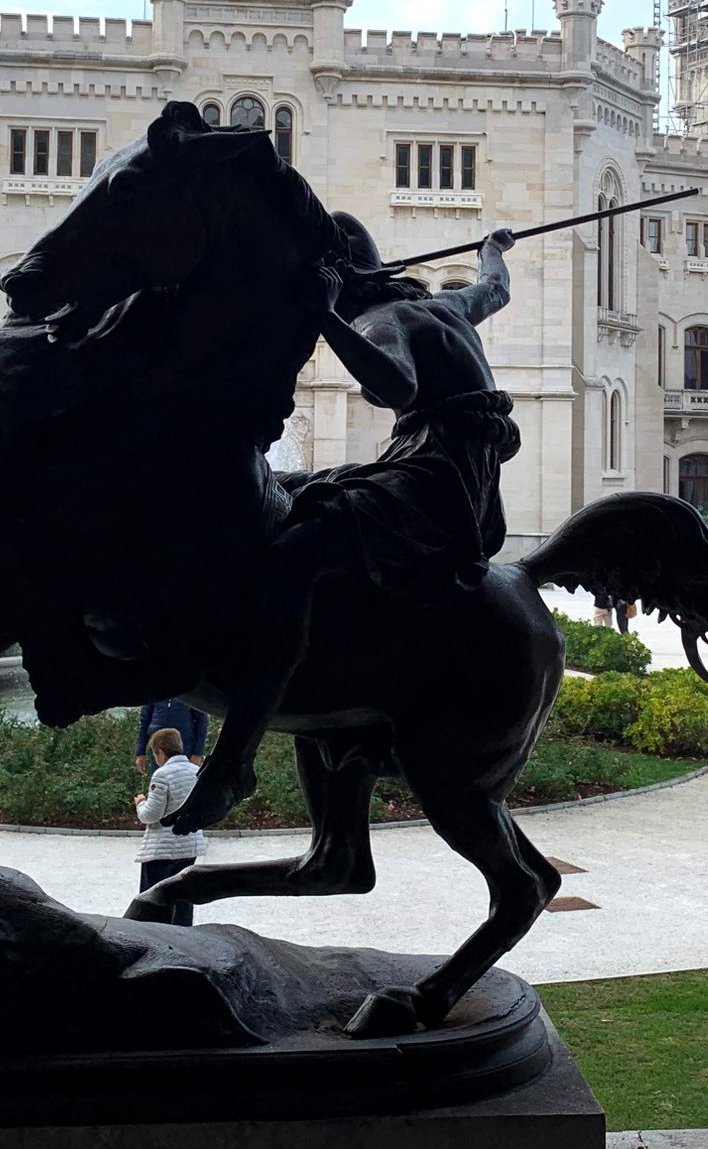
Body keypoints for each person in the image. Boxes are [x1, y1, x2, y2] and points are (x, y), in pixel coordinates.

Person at [174, 214, 518, 832]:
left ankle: (232, 761)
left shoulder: (378, 321)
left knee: (295, 551)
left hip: (430, 486)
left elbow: (396, 384)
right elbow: (496, 287)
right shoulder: (450, 306)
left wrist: (325, 316)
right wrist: (494, 248)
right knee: (281, 489)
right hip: (453, 481)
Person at [133, 726, 206, 925]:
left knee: (153, 899)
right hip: (189, 845)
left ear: (161, 753)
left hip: (162, 849)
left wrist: (140, 803)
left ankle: (154, 941)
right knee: (183, 898)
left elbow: (151, 815)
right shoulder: (197, 771)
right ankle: (183, 940)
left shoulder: (162, 775)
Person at [133, 698, 209, 774]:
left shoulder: (190, 692)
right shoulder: (152, 690)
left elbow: (202, 721)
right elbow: (144, 721)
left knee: (183, 780)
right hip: (158, 749)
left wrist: (197, 753)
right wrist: (140, 753)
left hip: (184, 748)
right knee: (160, 778)